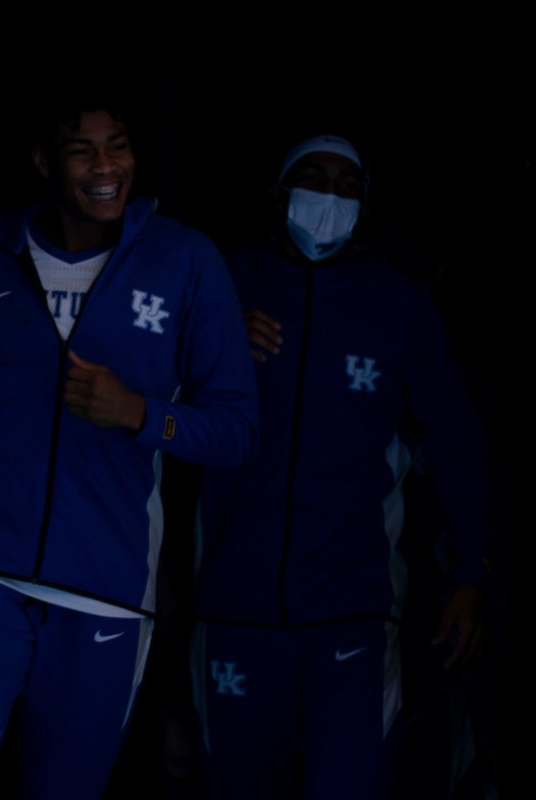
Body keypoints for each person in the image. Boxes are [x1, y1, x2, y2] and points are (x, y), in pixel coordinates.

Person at [0, 94, 259, 800]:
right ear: (43, 161)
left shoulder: (185, 261)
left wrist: (140, 414)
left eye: (118, 145)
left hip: (109, 584)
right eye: (81, 148)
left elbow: (237, 430)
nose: (105, 166)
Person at [192, 134, 491, 799]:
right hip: (232, 606)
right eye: (312, 178)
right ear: (277, 193)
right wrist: (214, 343)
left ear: (366, 203)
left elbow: (457, 448)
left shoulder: (401, 305)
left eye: (347, 185)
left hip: (355, 607)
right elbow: (146, 398)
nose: (329, 196)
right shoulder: (220, 279)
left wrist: (472, 577)